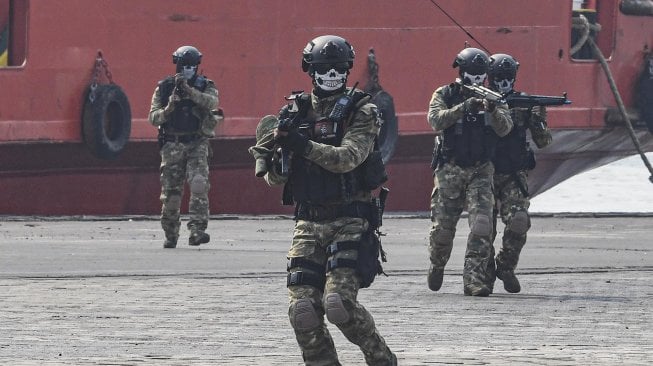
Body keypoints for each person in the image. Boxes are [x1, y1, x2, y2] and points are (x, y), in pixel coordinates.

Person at [260, 35, 396, 365]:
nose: (331, 73)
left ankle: (379, 356)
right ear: (310, 69)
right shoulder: (293, 112)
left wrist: (302, 145)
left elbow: (348, 158)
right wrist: (280, 152)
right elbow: (273, 178)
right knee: (303, 310)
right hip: (308, 221)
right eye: (324, 67)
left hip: (350, 218)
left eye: (338, 67)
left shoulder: (363, 110)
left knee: (338, 304)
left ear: (348, 69)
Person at [427, 47, 513, 296]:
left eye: (480, 75)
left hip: (481, 170)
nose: (476, 80)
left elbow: (505, 128)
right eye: (472, 74)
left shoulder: (494, 98)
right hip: (450, 169)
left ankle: (474, 279)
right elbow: (435, 120)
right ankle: (437, 262)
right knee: (443, 229)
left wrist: (492, 109)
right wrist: (464, 107)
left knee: (482, 225)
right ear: (462, 72)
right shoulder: (445, 94)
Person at [487, 53, 552, 293]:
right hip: (485, 172)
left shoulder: (524, 103)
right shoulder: (481, 101)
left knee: (519, 220)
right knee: (483, 227)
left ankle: (505, 266)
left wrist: (538, 119)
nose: (504, 82)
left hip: (514, 172)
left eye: (508, 76)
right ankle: (481, 273)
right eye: (499, 77)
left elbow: (544, 141)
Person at [148, 45, 221, 249]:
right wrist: (170, 107)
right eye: (184, 65)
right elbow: (153, 117)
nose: (188, 69)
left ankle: (197, 230)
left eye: (192, 66)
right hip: (172, 144)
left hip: (196, 142)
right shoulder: (164, 88)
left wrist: (191, 92)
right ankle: (171, 233)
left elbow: (212, 103)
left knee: (198, 184)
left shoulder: (205, 85)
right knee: (171, 193)